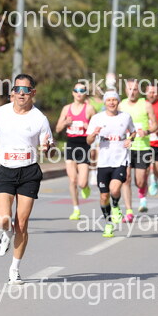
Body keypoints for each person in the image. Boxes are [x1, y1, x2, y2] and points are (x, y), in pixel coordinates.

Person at [0, 74, 54, 284]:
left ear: (33, 93)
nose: (21, 93)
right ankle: (5, 233)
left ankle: (14, 269)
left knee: (22, 223)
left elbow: (50, 150)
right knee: (3, 220)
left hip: (29, 172)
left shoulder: (40, 119)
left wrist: (48, 148)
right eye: (17, 89)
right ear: (12, 92)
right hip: (5, 171)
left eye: (26, 90)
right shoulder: (0, 113)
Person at [86, 91, 135, 237]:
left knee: (114, 189)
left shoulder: (125, 116)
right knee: (103, 196)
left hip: (120, 160)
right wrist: (94, 134)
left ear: (118, 102)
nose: (111, 103)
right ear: (105, 102)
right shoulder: (97, 118)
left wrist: (130, 139)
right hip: (103, 162)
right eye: (109, 100)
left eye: (114, 100)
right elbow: (88, 140)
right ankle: (108, 224)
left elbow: (133, 132)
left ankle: (115, 205)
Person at [118, 79, 158, 218]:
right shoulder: (121, 105)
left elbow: (155, 125)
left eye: (135, 89)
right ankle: (129, 211)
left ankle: (142, 193)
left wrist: (147, 132)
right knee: (126, 178)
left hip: (142, 147)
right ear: (125, 90)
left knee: (140, 181)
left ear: (139, 91)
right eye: (129, 89)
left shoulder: (146, 105)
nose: (132, 92)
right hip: (126, 147)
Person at [55, 82, 95, 220]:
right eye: (76, 90)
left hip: (84, 146)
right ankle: (76, 209)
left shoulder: (89, 109)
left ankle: (85, 187)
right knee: (72, 180)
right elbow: (58, 129)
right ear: (72, 93)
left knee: (81, 182)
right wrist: (65, 123)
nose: (79, 93)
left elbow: (97, 129)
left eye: (82, 90)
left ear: (85, 93)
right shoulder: (67, 109)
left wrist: (88, 126)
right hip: (71, 145)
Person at [88, 84, 105, 186]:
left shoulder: (105, 101)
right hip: (92, 129)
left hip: (102, 130)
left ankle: (98, 170)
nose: (99, 91)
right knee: (92, 152)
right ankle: (92, 171)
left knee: (99, 151)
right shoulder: (89, 101)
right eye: (97, 89)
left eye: (101, 89)